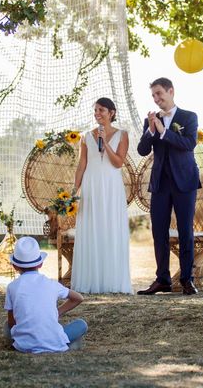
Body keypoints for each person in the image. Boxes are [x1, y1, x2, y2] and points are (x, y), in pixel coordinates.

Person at [137, 77, 201, 296]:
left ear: (170, 91)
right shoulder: (151, 120)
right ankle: (162, 279)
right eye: (153, 95)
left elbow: (189, 143)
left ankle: (187, 280)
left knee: (185, 231)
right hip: (160, 183)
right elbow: (142, 150)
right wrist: (151, 131)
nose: (156, 99)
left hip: (185, 181)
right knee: (158, 232)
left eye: (159, 94)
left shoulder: (189, 117)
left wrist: (164, 132)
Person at [71, 97, 132, 294]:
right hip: (91, 187)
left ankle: (112, 281)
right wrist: (75, 190)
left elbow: (118, 163)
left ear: (111, 112)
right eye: (95, 110)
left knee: (110, 228)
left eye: (102, 110)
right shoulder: (86, 136)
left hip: (111, 187)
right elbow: (82, 165)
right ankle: (91, 280)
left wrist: (105, 142)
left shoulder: (122, 135)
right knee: (91, 227)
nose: (97, 113)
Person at [5, 237, 88, 353]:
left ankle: (28, 341)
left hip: (24, 345)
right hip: (54, 341)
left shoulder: (12, 287)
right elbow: (79, 298)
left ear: (15, 266)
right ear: (41, 263)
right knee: (81, 324)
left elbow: (11, 322)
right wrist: (58, 312)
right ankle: (62, 341)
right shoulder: (52, 284)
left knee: (6, 327)